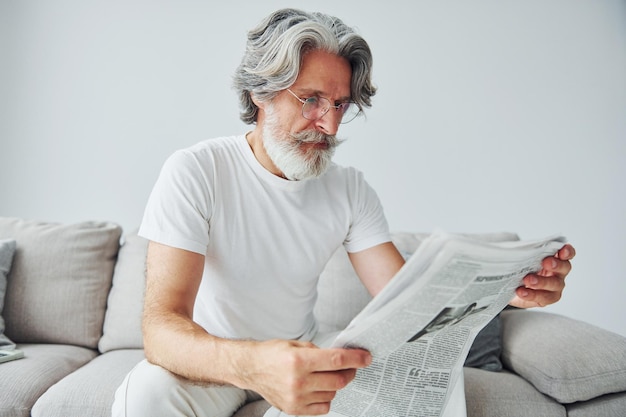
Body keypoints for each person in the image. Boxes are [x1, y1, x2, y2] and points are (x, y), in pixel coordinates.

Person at [112, 8, 575, 417]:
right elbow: (162, 329)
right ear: (260, 93)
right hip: (212, 366)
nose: (330, 125)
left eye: (340, 105)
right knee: (148, 392)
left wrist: (511, 292)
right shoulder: (197, 170)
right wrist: (255, 364)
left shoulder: (349, 188)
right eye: (311, 99)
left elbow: (409, 301)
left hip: (304, 360)